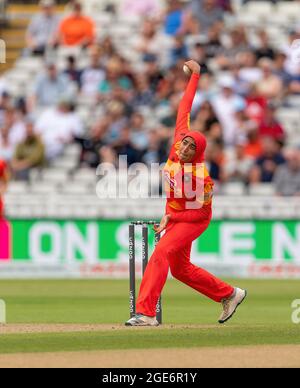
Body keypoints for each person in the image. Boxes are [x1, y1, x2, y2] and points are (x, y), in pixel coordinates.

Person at [125, 60, 247, 327]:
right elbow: (185, 107)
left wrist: (172, 218)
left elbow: (200, 212)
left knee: (161, 253)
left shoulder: (200, 177)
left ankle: (146, 314)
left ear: (198, 153)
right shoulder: (179, 139)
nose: (184, 147)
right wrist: (196, 76)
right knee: (180, 270)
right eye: (185, 142)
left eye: (191, 147)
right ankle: (229, 294)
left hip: (193, 219)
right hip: (176, 215)